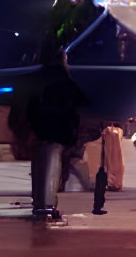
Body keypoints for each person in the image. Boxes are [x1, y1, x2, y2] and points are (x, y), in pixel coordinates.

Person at [24, 52, 88, 221]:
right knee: (52, 167)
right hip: (59, 131)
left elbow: (29, 105)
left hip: (41, 130)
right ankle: (46, 204)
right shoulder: (65, 81)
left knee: (39, 167)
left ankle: (40, 203)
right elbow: (81, 100)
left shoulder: (38, 80)